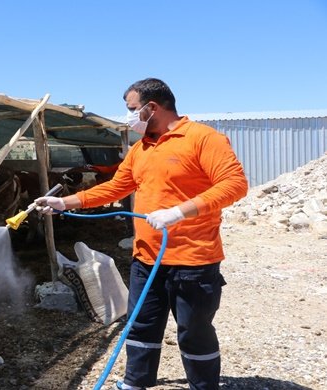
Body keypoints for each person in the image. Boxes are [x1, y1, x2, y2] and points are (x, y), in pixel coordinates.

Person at [35, 78, 248, 390]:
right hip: (146, 258)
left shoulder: (203, 138)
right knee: (140, 323)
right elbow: (116, 187)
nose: (129, 117)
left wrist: (179, 211)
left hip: (193, 260)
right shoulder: (140, 149)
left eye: (132, 109)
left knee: (193, 329)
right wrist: (65, 202)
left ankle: (203, 386)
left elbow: (234, 184)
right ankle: (136, 382)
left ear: (152, 107)